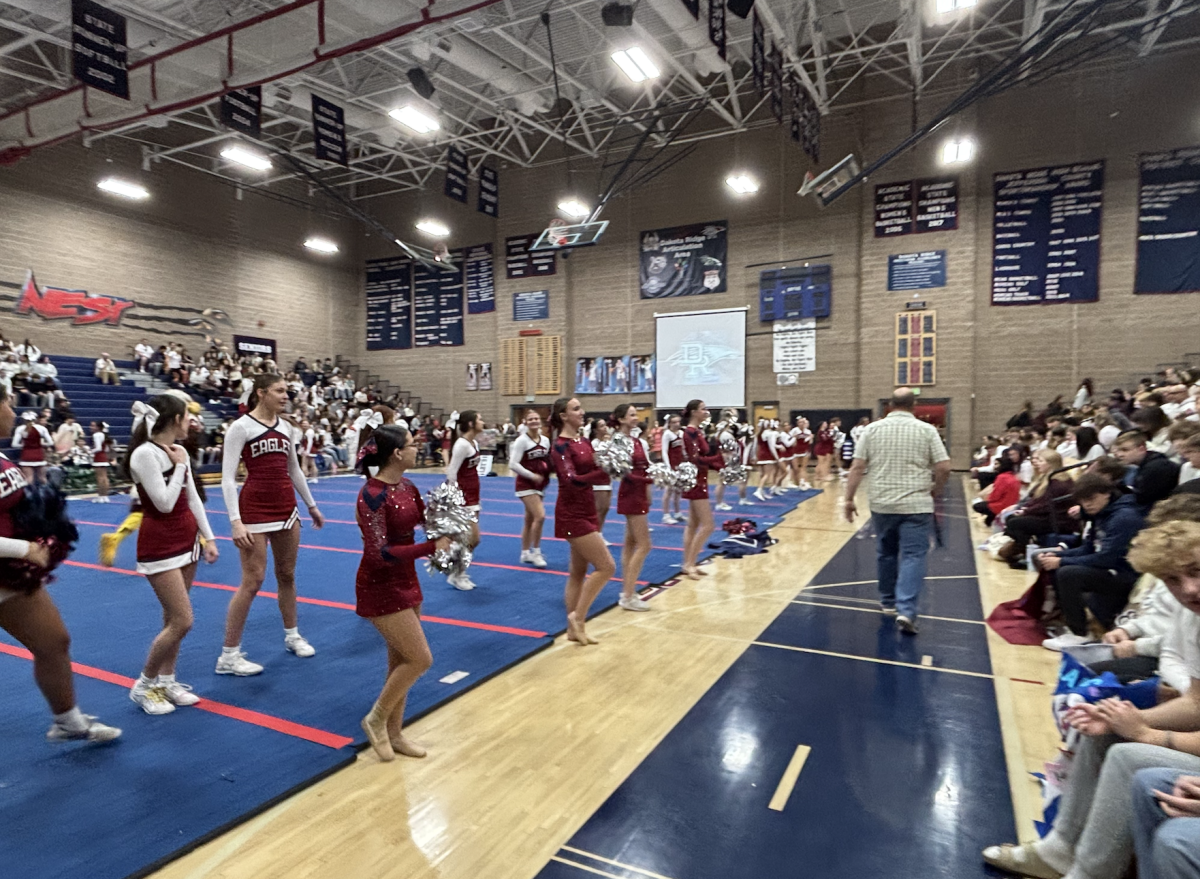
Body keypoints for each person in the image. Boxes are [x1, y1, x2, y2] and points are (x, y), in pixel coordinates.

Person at [983, 518, 1200, 879]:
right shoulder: (1194, 616)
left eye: (1196, 571)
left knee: (1129, 757)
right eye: (1173, 581)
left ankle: (1087, 871)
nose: (1189, 589)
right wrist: (1127, 718)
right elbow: (1196, 702)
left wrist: (1150, 734)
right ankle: (1059, 850)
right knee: (1106, 730)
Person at [0, 384, 121, 743]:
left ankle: (67, 721)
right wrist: (24, 550)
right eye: (6, 401)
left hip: (6, 574)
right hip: (10, 559)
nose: (11, 409)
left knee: (53, 641)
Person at [218, 373, 326, 675]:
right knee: (252, 581)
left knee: (287, 575)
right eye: (279, 391)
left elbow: (294, 469)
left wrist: (311, 505)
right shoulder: (241, 427)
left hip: (286, 508)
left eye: (286, 391)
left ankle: (292, 635)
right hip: (253, 510)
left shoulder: (287, 427)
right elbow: (227, 479)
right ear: (261, 393)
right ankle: (228, 654)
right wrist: (235, 522)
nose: (285, 396)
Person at [354, 425, 449, 762]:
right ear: (396, 453)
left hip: (407, 580)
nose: (417, 449)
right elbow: (380, 552)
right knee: (420, 658)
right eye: (412, 445)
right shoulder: (372, 494)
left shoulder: (408, 486)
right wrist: (429, 547)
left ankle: (395, 732)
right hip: (380, 584)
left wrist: (451, 521)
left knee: (400, 660)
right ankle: (375, 719)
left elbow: (425, 521)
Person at [125, 395, 220, 715]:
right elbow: (164, 502)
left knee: (171, 618)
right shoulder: (144, 454)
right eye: (186, 417)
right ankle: (143, 685)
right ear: (173, 420)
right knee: (182, 621)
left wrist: (209, 538)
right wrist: (180, 466)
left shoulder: (178, 452)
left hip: (186, 541)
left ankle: (166, 681)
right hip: (159, 545)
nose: (190, 423)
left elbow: (193, 498)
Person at [843, 388, 951, 634]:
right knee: (914, 556)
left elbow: (857, 467)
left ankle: (888, 602)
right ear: (915, 405)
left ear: (890, 404)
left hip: (882, 503)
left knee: (886, 552)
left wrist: (848, 500)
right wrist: (936, 489)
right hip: (916, 504)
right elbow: (944, 467)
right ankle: (907, 610)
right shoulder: (927, 430)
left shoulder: (871, 430)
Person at [1038, 474, 1146, 650]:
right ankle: (1064, 615)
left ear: (1106, 494)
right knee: (1053, 563)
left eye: (1091, 499)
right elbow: (1089, 548)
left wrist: (1062, 562)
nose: (1086, 504)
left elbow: (1106, 558)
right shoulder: (1102, 513)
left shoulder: (1124, 517)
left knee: (1068, 573)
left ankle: (1079, 633)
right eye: (1082, 501)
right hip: (1110, 568)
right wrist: (1060, 555)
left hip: (1126, 574)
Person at [550, 397, 616, 646]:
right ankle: (578, 617)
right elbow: (570, 479)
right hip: (571, 513)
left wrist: (609, 461)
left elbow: (592, 469)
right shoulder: (560, 446)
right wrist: (602, 472)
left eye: (581, 408)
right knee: (606, 566)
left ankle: (573, 628)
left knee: (578, 573)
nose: (582, 412)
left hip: (587, 508)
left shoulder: (584, 440)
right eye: (576, 409)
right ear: (563, 416)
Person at [680, 399, 725, 581]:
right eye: (703, 409)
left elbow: (702, 458)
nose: (706, 411)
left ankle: (688, 563)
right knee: (708, 525)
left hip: (701, 478)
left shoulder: (697, 431)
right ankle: (690, 563)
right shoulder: (689, 433)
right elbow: (695, 460)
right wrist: (717, 460)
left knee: (693, 524)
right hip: (696, 481)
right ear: (694, 412)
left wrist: (717, 464)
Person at [613, 403, 652, 612]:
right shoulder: (619, 441)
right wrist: (649, 481)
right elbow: (623, 472)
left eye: (636, 414)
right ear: (620, 419)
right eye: (631, 415)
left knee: (629, 543)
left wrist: (649, 485)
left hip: (639, 491)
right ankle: (629, 595)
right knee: (645, 545)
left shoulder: (636, 440)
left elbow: (644, 466)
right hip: (630, 492)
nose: (636, 417)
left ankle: (626, 591)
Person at [445, 410, 483, 591]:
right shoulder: (461, 445)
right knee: (472, 538)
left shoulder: (473, 442)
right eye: (479, 419)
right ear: (470, 424)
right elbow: (452, 472)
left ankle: (457, 571)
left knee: (469, 539)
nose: (482, 422)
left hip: (473, 496)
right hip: (463, 498)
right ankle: (457, 572)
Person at [509, 409, 550, 569]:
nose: (534, 421)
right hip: (525, 484)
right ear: (525, 422)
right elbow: (513, 464)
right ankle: (536, 552)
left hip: (540, 484)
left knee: (529, 519)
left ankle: (525, 552)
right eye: (530, 419)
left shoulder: (545, 440)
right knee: (540, 516)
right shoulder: (522, 441)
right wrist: (531, 475)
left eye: (536, 418)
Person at [1114, 430, 1181, 512]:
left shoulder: (1156, 467)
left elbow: (1143, 500)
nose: (1119, 455)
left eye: (1125, 450)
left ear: (1141, 449)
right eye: (1118, 450)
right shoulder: (1147, 465)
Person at [972, 456, 1020, 527]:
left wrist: (986, 498)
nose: (994, 466)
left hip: (1002, 506)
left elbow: (995, 496)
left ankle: (991, 519)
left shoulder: (1002, 477)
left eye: (997, 464)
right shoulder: (1012, 476)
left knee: (977, 506)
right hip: (1012, 504)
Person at [589, 419, 614, 546]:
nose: (605, 428)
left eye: (605, 425)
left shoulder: (608, 442)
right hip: (598, 479)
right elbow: (595, 461)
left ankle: (599, 533)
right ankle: (596, 535)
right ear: (595, 430)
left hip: (607, 477)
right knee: (599, 509)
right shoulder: (594, 443)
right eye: (602, 426)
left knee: (605, 508)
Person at [12, 410, 50, 486]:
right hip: (39, 455)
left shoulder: (20, 429)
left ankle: (29, 496)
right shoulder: (42, 428)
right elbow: (51, 443)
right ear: (35, 419)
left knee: (29, 479)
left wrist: (25, 445)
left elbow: (14, 444)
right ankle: (48, 495)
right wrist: (40, 444)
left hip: (26, 456)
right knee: (43, 478)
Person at [660, 414, 684, 524]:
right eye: (674, 422)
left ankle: (677, 512)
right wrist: (668, 467)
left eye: (678, 422)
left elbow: (683, 450)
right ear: (669, 423)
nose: (677, 424)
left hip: (680, 465)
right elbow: (664, 451)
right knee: (669, 490)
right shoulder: (667, 434)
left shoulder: (681, 433)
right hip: (671, 466)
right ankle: (666, 515)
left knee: (678, 490)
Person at [90, 420, 111, 502]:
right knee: (105, 477)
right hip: (104, 457)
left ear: (98, 427)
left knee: (99, 478)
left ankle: (100, 496)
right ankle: (105, 496)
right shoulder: (104, 435)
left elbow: (98, 448)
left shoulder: (96, 435)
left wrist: (90, 451)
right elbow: (107, 448)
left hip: (98, 457)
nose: (91, 427)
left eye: (93, 426)